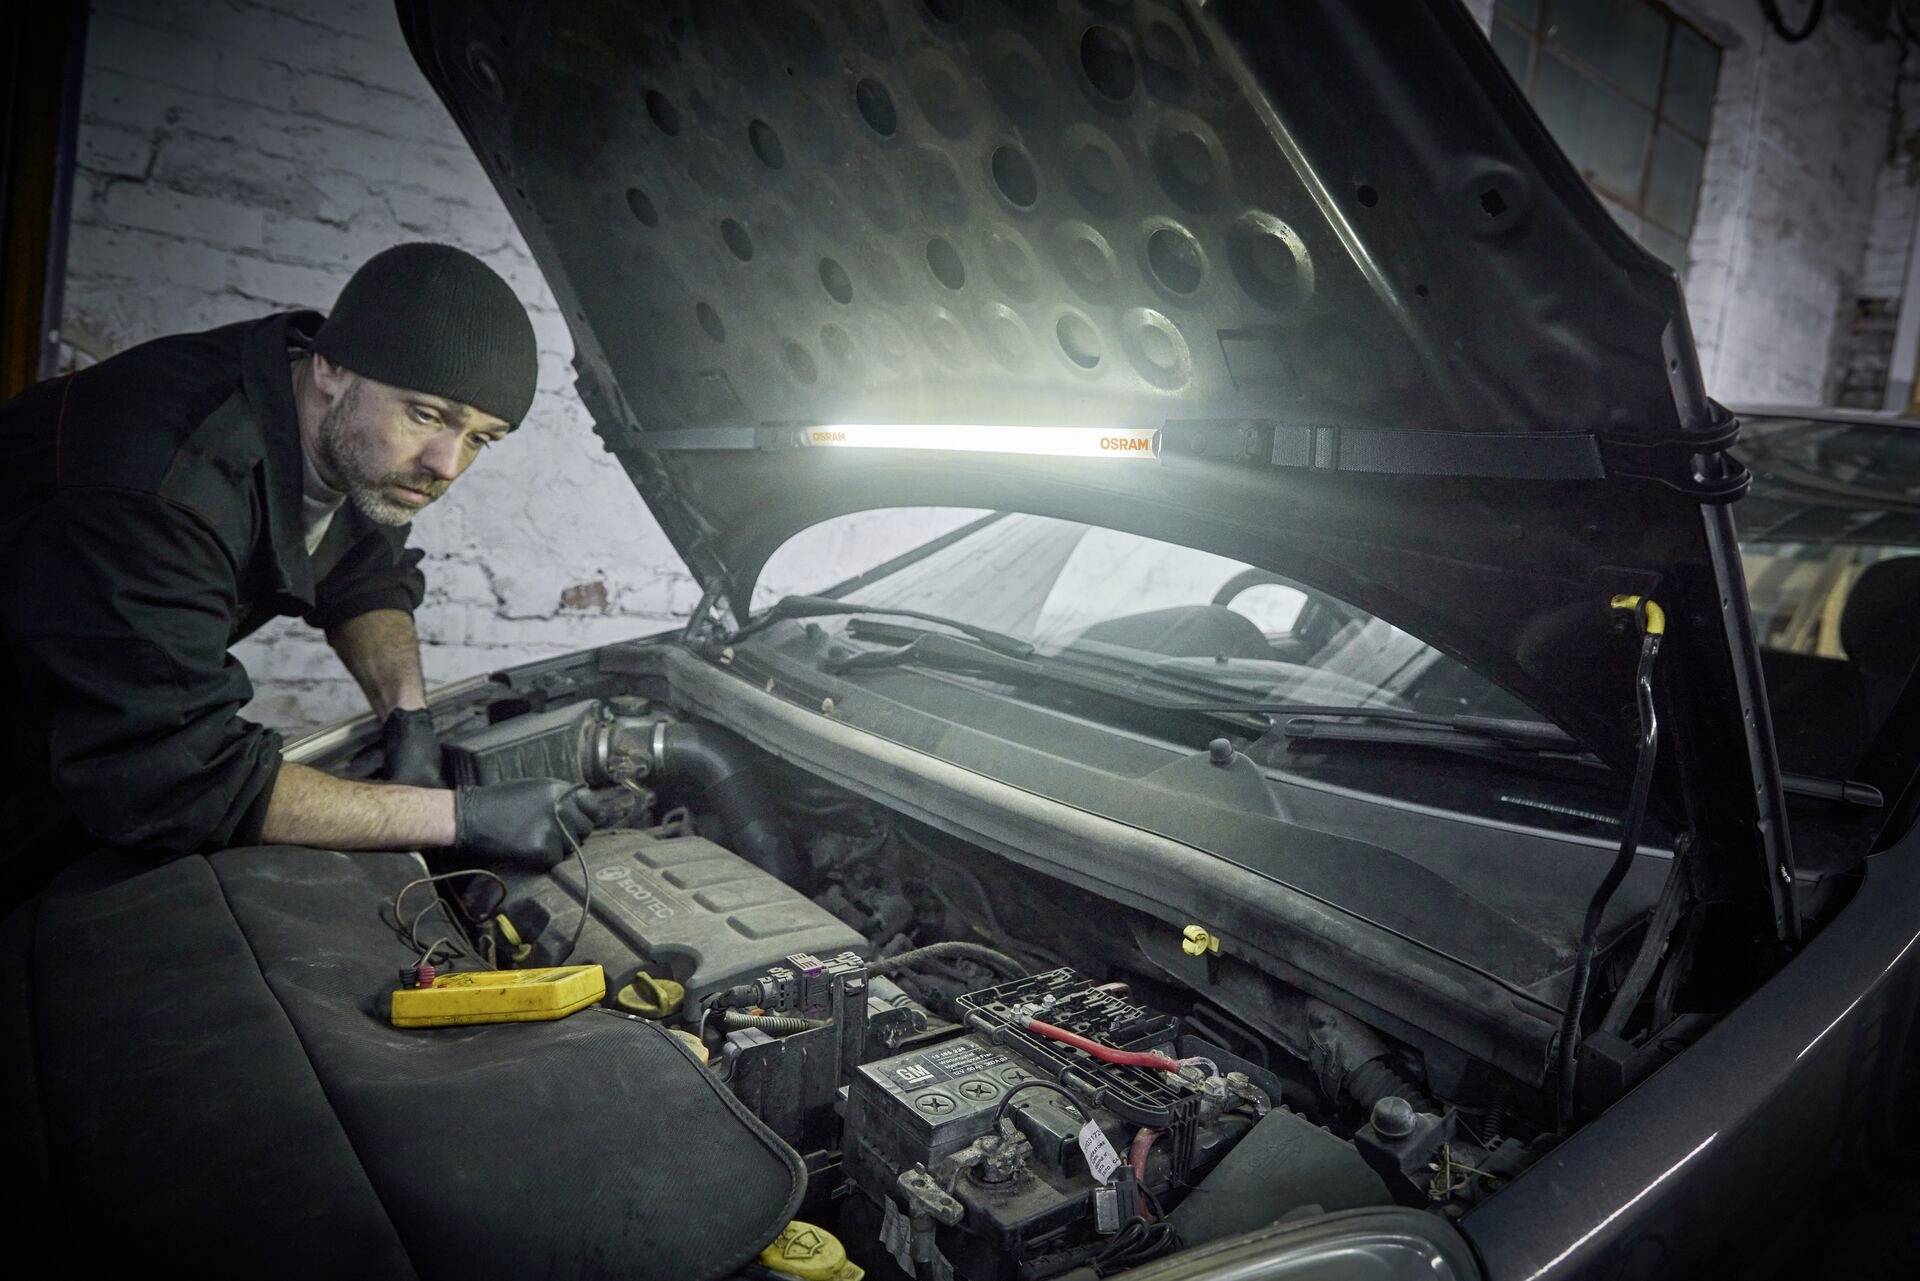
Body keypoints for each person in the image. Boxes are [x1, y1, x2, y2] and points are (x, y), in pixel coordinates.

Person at [0, 242, 603, 909]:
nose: (447, 464)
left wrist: (408, 718)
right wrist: (459, 818)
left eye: (480, 438)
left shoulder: (338, 431)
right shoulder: (161, 486)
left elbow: (363, 570)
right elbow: (174, 777)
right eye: (427, 414)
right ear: (330, 367)